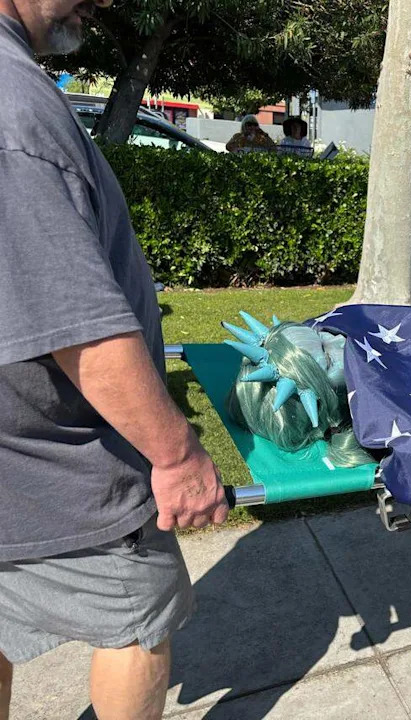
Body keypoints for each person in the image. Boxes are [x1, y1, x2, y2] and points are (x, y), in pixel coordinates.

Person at [0, 2, 229, 718]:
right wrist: (175, 454)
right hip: (63, 461)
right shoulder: (13, 105)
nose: (95, 3)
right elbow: (78, 323)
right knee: (138, 624)